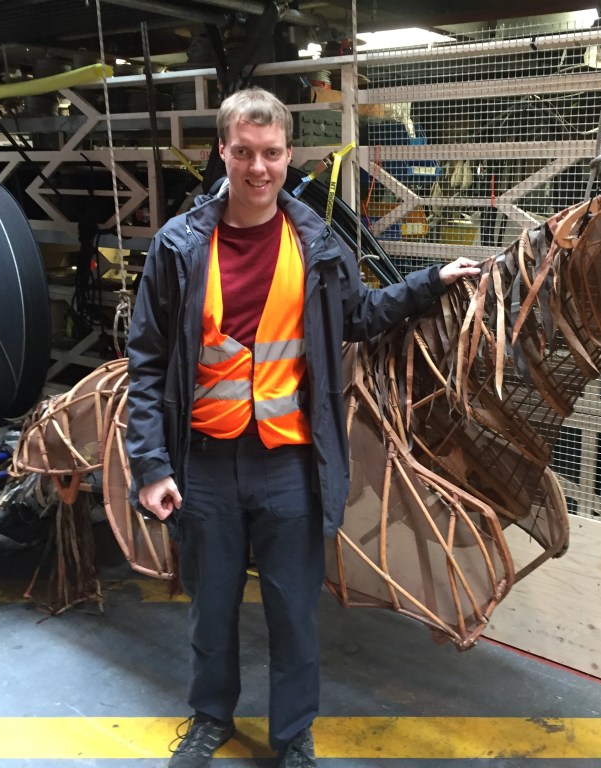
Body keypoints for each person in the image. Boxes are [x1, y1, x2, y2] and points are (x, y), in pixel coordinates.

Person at [124, 86, 480, 768]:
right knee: (210, 609)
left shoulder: (316, 243)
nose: (258, 168)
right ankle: (210, 718)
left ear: (290, 155)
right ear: (222, 152)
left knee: (293, 614)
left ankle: (292, 738)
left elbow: (360, 316)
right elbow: (146, 360)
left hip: (289, 466)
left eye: (271, 153)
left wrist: (431, 280)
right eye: (244, 152)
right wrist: (152, 465)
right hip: (204, 465)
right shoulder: (180, 246)